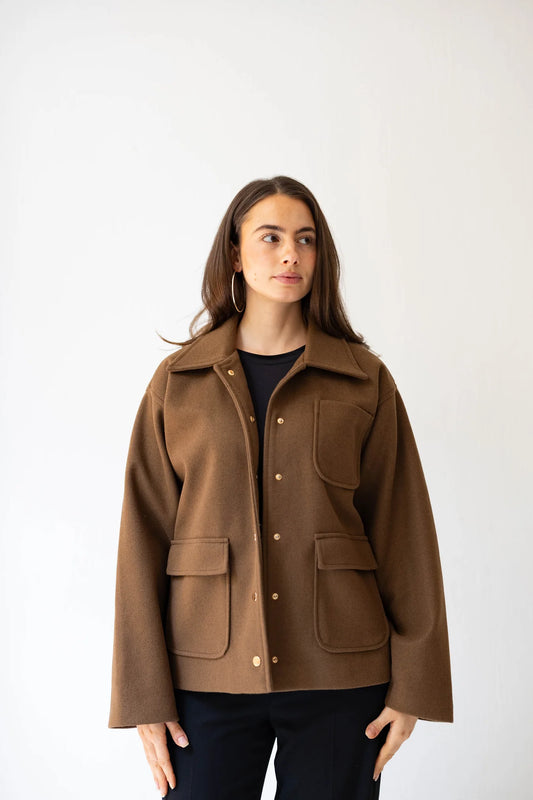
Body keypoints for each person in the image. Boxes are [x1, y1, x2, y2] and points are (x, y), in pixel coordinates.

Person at [108, 175, 453, 799]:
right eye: (270, 237)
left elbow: (404, 531)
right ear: (236, 255)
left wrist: (414, 686)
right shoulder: (178, 382)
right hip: (204, 676)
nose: (291, 253)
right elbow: (142, 538)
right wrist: (142, 695)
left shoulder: (363, 380)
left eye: (305, 239)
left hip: (340, 675)